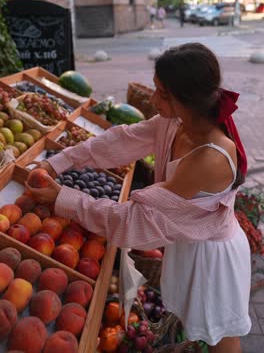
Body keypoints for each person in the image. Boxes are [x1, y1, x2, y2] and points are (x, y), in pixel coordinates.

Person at [27, 43, 251, 353]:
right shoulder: (176, 123)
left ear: (184, 98)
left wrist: (62, 198)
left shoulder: (209, 158)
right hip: (189, 245)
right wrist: (58, 161)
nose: (152, 97)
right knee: (205, 329)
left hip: (212, 257)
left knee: (222, 338)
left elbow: (134, 219)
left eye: (161, 92)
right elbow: (123, 139)